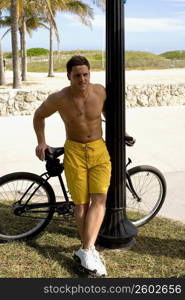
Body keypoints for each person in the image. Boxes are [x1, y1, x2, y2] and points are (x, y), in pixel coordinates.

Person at [33, 55, 135, 277]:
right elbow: (39, 116)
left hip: (99, 149)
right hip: (75, 152)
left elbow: (107, 112)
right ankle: (88, 249)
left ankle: (87, 250)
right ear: (69, 76)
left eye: (86, 74)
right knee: (81, 205)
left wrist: (121, 132)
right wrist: (41, 141)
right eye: (77, 75)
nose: (82, 79)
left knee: (100, 199)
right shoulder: (58, 98)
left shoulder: (100, 91)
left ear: (90, 73)